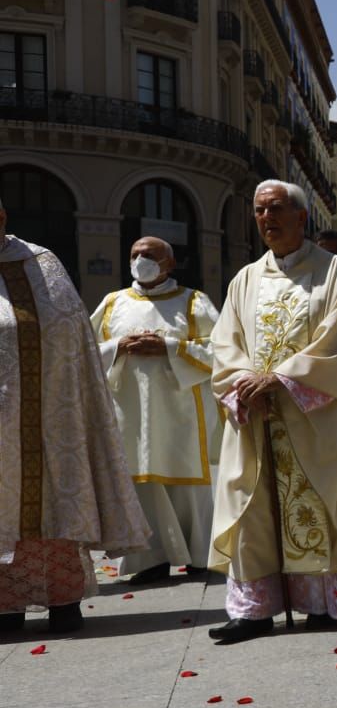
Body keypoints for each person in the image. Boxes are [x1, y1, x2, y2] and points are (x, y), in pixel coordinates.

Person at [205, 181, 337, 644]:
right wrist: (244, 382)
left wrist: (281, 378)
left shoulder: (335, 272)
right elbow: (225, 343)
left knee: (325, 501)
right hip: (257, 415)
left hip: (315, 415)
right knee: (253, 508)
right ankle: (255, 610)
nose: (266, 218)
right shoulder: (244, 279)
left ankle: (325, 602)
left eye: (275, 209)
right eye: (259, 211)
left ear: (302, 217)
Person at [0, 201, 149, 633]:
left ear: (4, 218)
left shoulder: (40, 261)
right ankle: (6, 606)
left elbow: (67, 325)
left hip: (49, 412)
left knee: (55, 498)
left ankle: (62, 601)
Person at [90, 235, 222, 583]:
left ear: (169, 263)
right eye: (135, 254)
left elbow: (223, 351)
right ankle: (150, 561)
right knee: (142, 486)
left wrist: (170, 348)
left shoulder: (194, 302)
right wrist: (118, 346)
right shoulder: (112, 303)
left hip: (183, 414)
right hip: (130, 414)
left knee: (189, 488)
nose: (140, 260)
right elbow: (86, 352)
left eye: (148, 254)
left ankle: (200, 556)